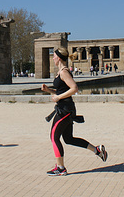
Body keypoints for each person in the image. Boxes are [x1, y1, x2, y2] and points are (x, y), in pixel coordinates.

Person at [41, 47, 108, 176]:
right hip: (66, 108)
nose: (53, 58)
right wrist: (49, 90)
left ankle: (60, 168)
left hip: (64, 110)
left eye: (54, 56)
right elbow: (62, 91)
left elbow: (74, 88)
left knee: (54, 137)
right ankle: (97, 150)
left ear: (59, 58)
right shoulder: (61, 71)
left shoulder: (64, 72)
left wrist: (58, 97)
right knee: (68, 139)